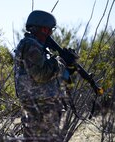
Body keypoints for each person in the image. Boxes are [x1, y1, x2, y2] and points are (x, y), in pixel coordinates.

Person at [14, 10, 77, 141]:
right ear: (41, 29)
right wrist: (61, 61)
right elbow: (40, 75)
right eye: (48, 30)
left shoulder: (37, 46)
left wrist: (66, 67)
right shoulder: (31, 45)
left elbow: (48, 74)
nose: (50, 34)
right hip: (40, 104)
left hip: (41, 103)